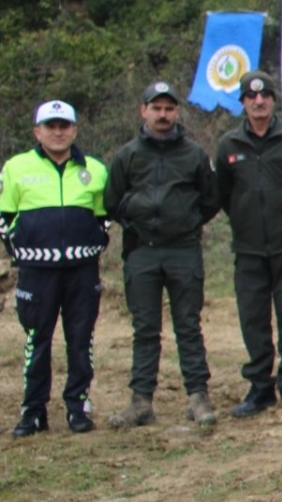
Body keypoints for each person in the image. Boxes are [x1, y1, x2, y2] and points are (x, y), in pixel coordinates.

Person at [104, 81, 220, 428]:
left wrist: (186, 222)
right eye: (156, 108)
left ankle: (198, 397)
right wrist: (136, 220)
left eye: (169, 109)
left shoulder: (195, 155)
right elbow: (112, 201)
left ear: (177, 113)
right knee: (145, 329)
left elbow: (210, 199)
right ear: (144, 111)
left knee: (188, 326)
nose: (163, 114)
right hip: (142, 252)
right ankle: (141, 402)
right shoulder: (127, 155)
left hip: (183, 251)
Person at [2, 100, 108, 436]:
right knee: (38, 340)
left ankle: (78, 406)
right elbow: (4, 219)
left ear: (75, 130)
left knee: (80, 339)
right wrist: (22, 249)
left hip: (82, 271)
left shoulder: (95, 168)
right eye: (51, 126)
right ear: (37, 131)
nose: (58, 132)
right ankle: (33, 411)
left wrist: (93, 243)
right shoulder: (16, 167)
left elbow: (103, 218)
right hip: (36, 272)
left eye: (64, 126)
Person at [215, 71, 282, 417]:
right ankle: (259, 387)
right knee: (253, 319)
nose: (259, 102)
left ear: (274, 100)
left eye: (265, 96)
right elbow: (224, 195)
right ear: (242, 102)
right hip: (249, 249)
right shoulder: (229, 145)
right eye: (251, 97)